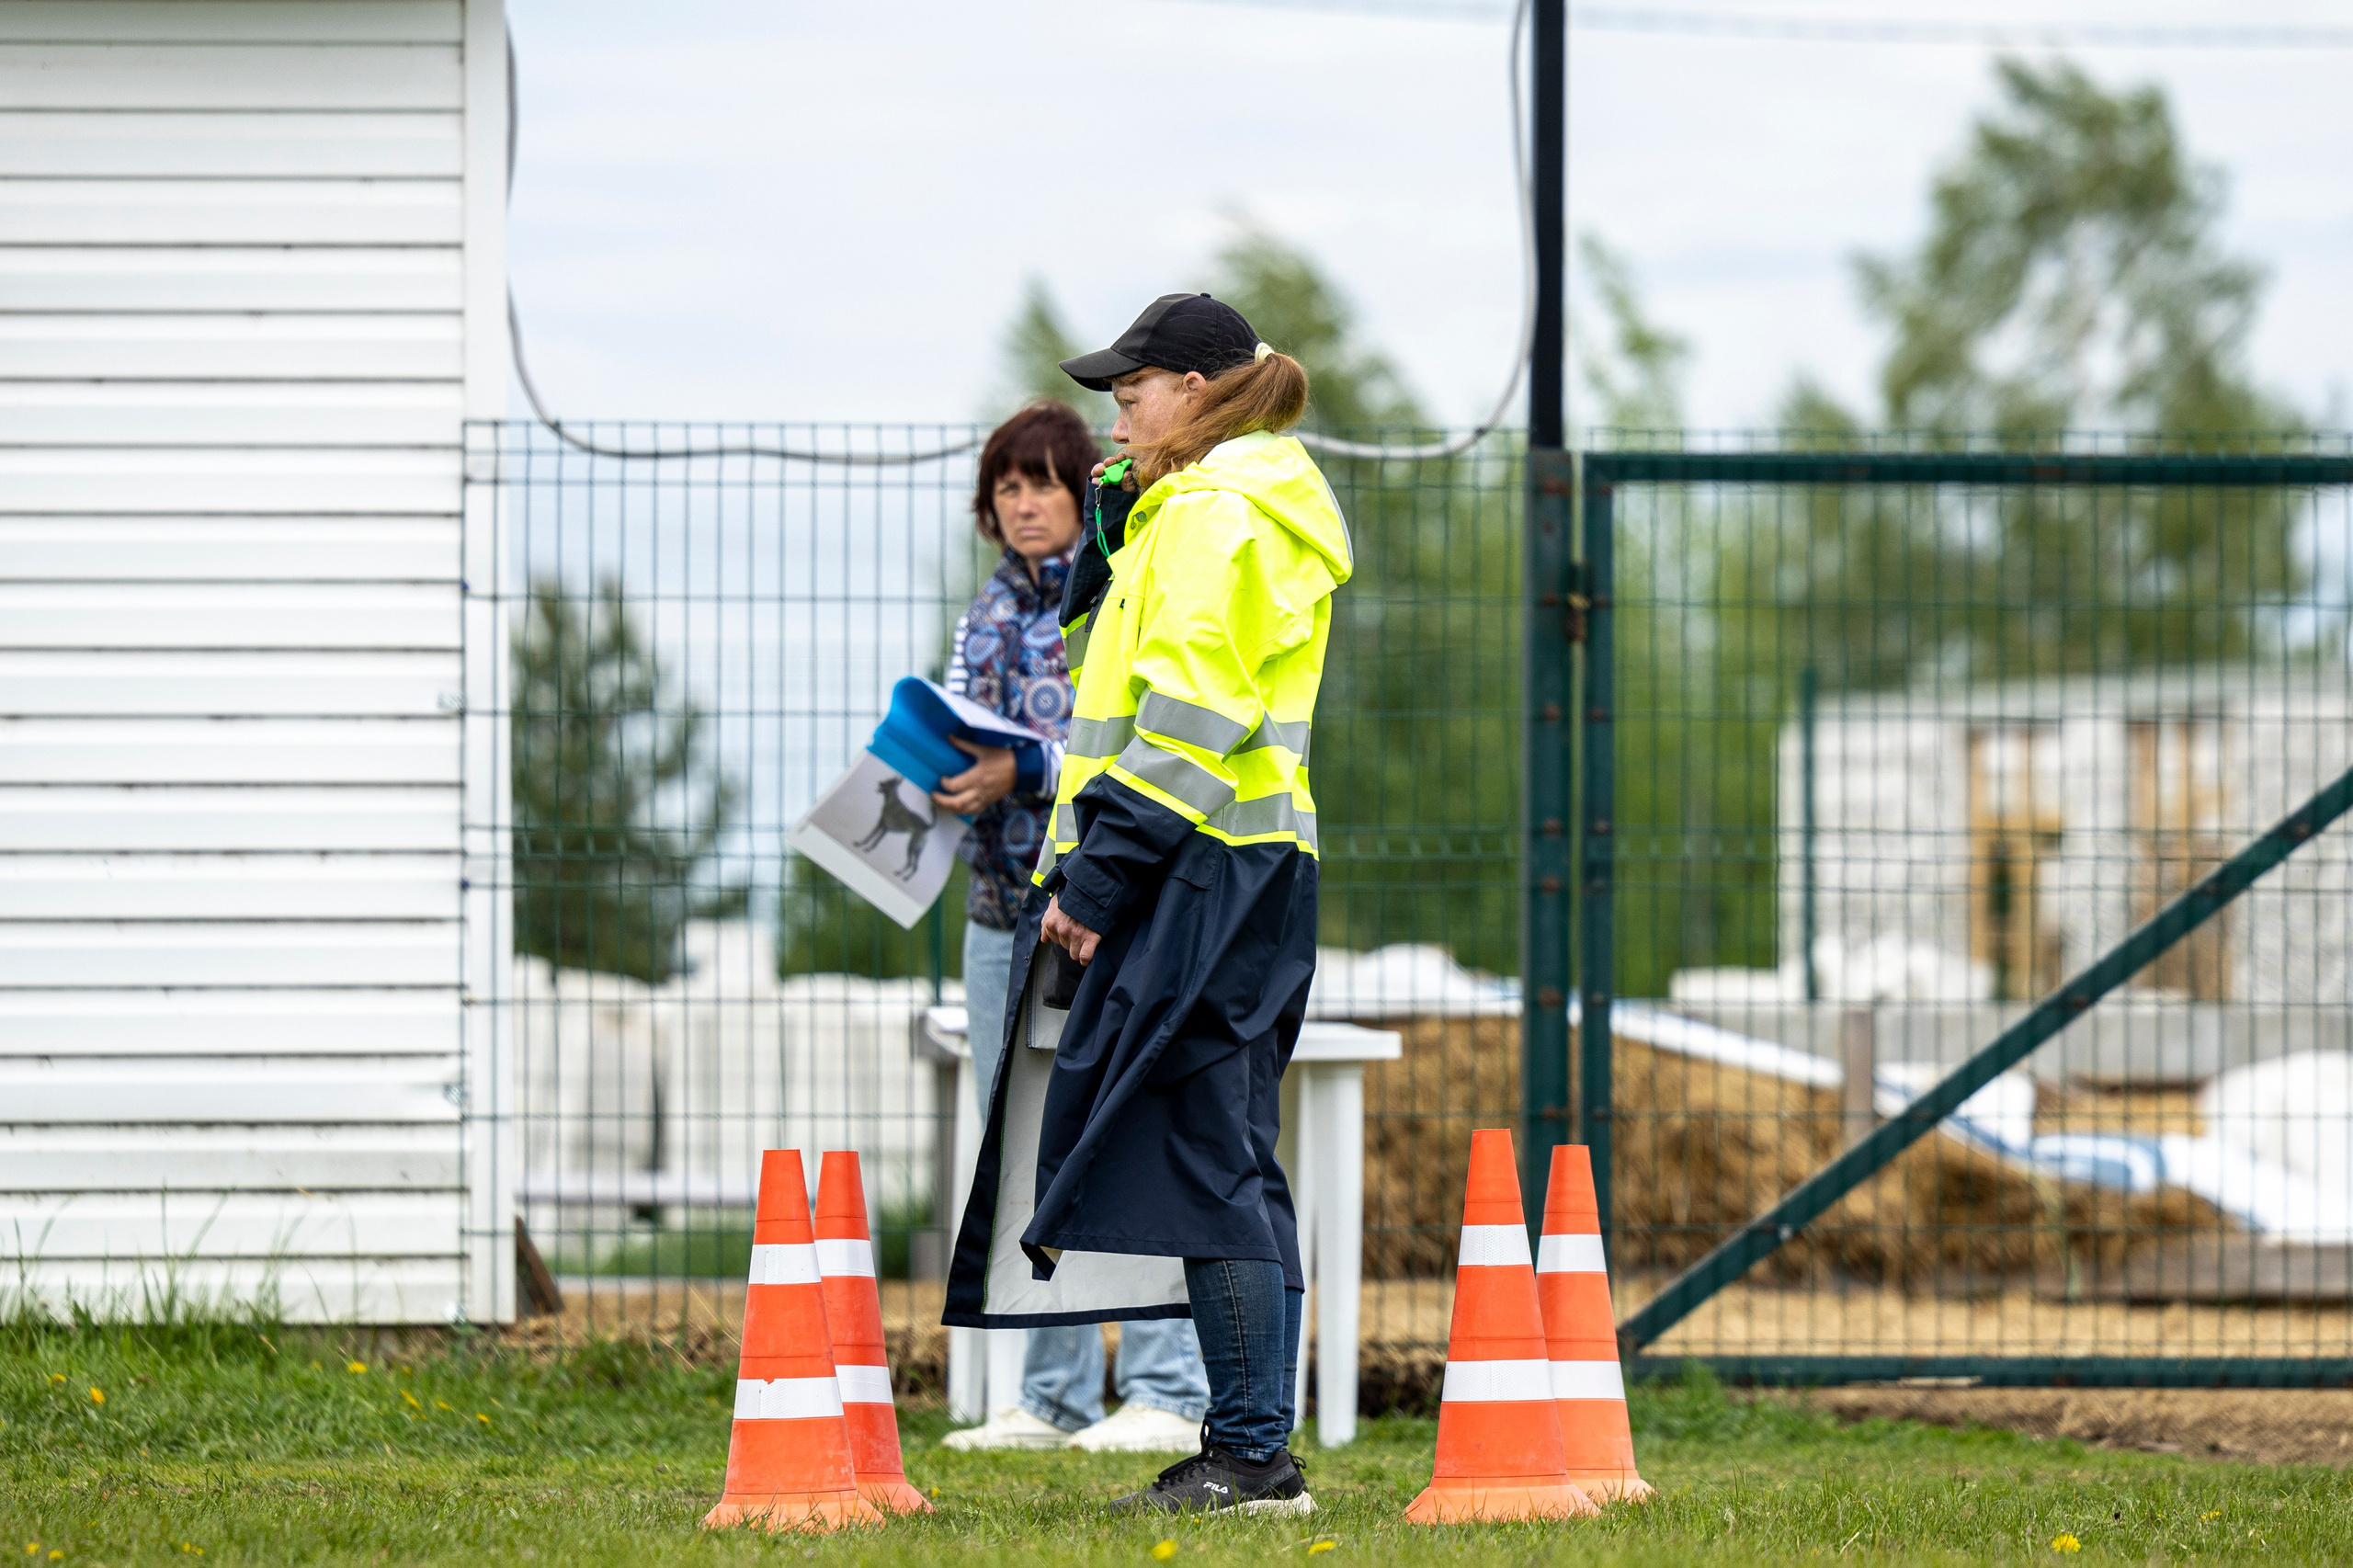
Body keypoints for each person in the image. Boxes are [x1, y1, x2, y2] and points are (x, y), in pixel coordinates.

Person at [942, 293, 1349, 1517]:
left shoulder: (1214, 514)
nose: (1115, 415)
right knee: (1230, 1151)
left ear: (1195, 388)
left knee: (1208, 1152)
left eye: (1131, 393)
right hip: (1245, 863)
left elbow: (1185, 715)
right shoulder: (1228, 503)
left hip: (1199, 866)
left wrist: (1098, 877)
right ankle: (1251, 1444)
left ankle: (1249, 1456)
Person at [933, 399, 1213, 1455]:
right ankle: (1049, 1398)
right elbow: (975, 732)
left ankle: (1162, 1386)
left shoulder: (1122, 583)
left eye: (1044, 482)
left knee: (1127, 1129)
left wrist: (1027, 768)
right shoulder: (983, 616)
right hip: (1001, 912)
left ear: (1084, 487)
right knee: (1020, 1147)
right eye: (1007, 485)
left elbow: (1138, 733)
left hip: (1107, 907)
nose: (1025, 503)